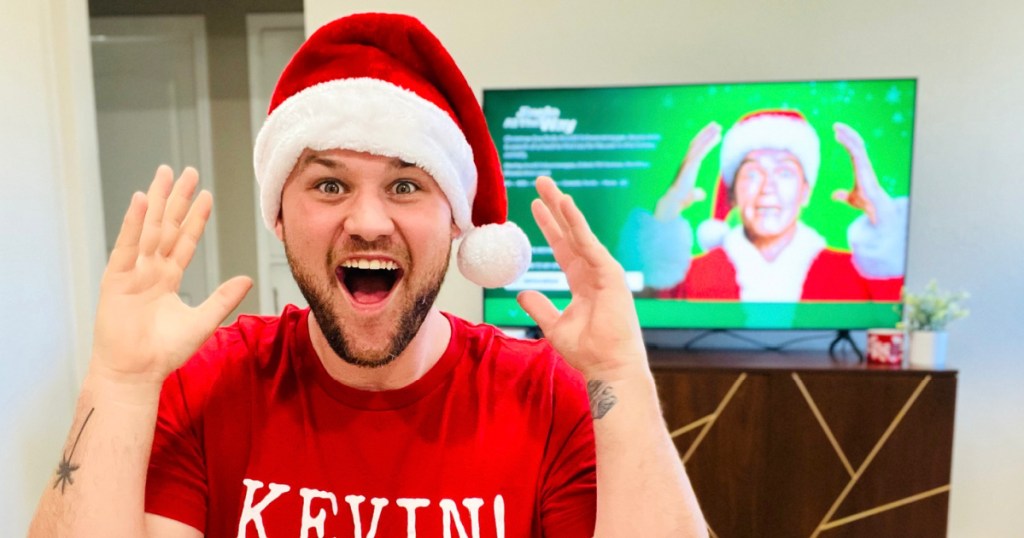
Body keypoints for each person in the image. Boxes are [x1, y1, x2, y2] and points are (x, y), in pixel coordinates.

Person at [30, 13, 707, 538]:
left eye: (407, 186)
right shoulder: (207, 385)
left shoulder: (548, 397)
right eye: (328, 184)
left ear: (456, 222)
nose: (369, 222)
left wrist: (621, 378)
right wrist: (116, 382)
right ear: (281, 216)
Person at [627, 110, 908, 302]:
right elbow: (633, 308)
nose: (768, 186)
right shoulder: (692, 275)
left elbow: (892, 310)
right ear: (733, 193)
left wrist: (881, 215)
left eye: (784, 172)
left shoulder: (854, 274)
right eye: (752, 173)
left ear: (805, 192)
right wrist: (666, 213)